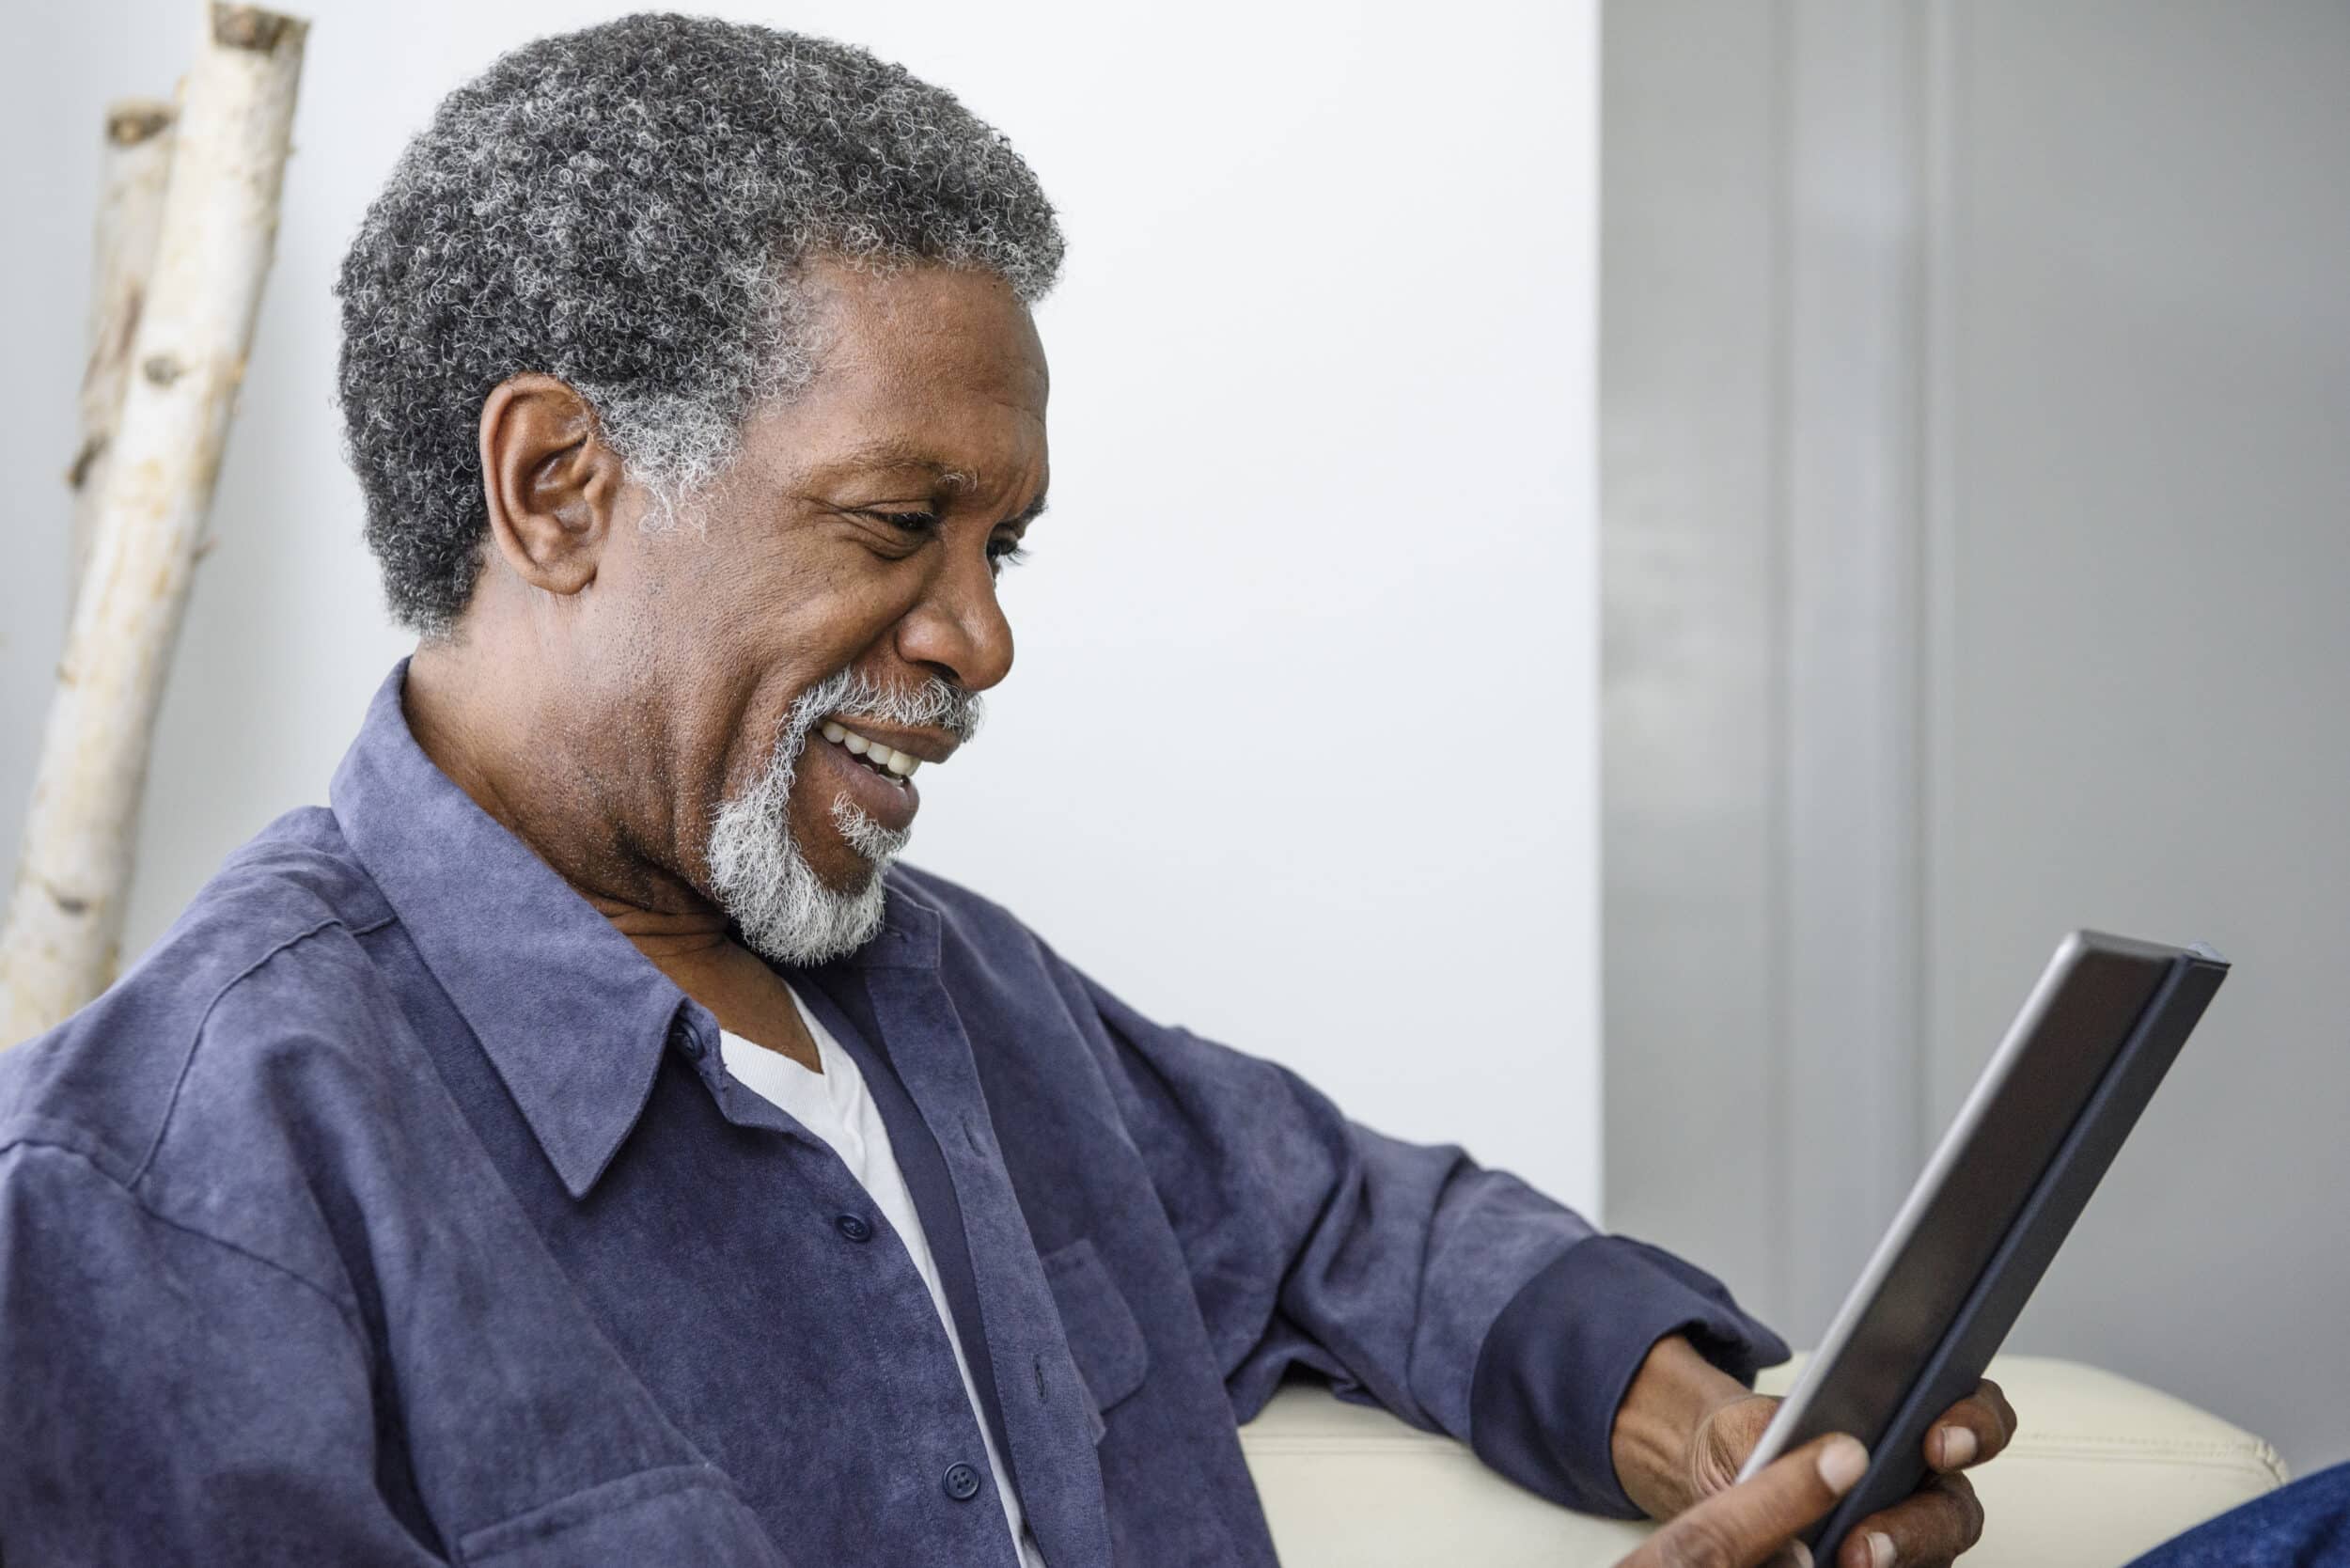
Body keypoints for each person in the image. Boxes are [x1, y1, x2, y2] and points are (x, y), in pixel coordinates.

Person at [0, 17, 2015, 1567]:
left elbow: (1342, 1217)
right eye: (898, 526)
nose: (977, 642)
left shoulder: (944, 993)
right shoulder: (170, 1192)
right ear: (558, 488)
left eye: (1002, 552)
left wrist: (1702, 1423)